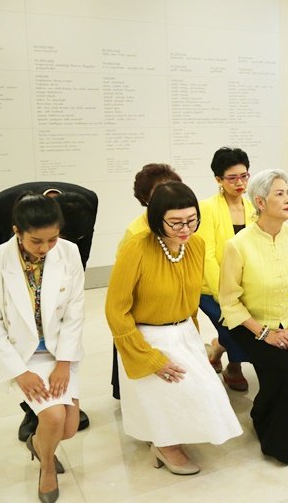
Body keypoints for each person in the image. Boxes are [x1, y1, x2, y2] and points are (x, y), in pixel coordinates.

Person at [105, 182, 241, 475]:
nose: (185, 229)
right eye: (176, 222)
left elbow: (189, 302)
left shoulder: (196, 245)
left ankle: (168, 437)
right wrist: (146, 356)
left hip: (184, 332)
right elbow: (115, 310)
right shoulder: (136, 249)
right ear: (157, 219)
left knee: (207, 393)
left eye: (191, 220)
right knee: (172, 392)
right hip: (147, 336)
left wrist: (194, 340)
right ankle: (165, 445)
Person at [219, 169, 288, 464]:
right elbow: (229, 301)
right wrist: (265, 334)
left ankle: (260, 411)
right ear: (260, 202)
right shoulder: (238, 245)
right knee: (286, 375)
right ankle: (277, 446)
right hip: (249, 325)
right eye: (280, 194)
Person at [0, 194, 85, 502]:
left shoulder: (69, 252)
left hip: (61, 351)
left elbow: (75, 312)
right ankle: (47, 466)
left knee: (70, 428)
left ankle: (36, 444)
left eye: (52, 239)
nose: (45, 248)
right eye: (36, 241)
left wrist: (64, 363)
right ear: (17, 231)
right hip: (23, 355)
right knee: (54, 418)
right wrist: (20, 372)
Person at [111, 163, 182, 401]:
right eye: (159, 193)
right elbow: (120, 298)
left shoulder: (180, 227)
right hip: (139, 313)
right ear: (146, 199)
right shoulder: (137, 235)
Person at [199, 147, 255, 392]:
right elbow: (207, 256)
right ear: (218, 180)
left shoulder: (253, 207)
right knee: (232, 325)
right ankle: (234, 366)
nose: (239, 183)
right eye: (232, 178)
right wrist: (224, 294)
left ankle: (217, 350)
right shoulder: (207, 208)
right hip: (212, 287)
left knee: (250, 324)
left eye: (244, 176)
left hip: (245, 284)